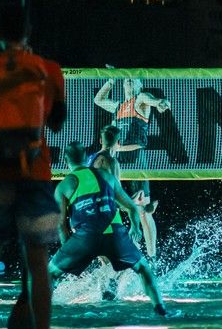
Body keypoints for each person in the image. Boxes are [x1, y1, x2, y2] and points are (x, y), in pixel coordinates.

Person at [0, 2, 67, 329]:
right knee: (38, 264)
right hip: (34, 175)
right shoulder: (48, 69)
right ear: (29, 32)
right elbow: (57, 122)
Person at [49, 133, 169, 316]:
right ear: (86, 157)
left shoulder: (64, 185)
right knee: (143, 268)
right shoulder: (107, 174)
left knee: (49, 273)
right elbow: (131, 207)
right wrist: (135, 227)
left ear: (66, 160)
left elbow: (60, 225)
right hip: (114, 231)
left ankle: (37, 311)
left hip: (85, 237)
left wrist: (68, 249)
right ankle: (160, 309)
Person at [92, 78, 170, 258]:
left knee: (144, 211)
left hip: (136, 159)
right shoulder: (118, 106)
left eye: (133, 79)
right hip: (117, 161)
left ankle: (152, 256)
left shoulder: (141, 98)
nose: (129, 80)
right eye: (126, 78)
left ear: (140, 85)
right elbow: (98, 100)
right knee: (119, 206)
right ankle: (126, 254)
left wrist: (161, 102)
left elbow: (154, 101)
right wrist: (111, 81)